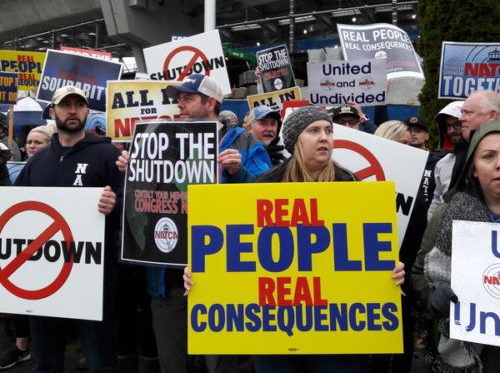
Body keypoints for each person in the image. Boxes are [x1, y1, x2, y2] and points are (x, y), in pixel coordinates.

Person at [184, 105, 405, 373]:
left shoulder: (352, 186)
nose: (324, 137)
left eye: (328, 131)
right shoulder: (264, 187)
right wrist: (204, 273)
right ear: (294, 140)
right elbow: (234, 248)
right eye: (313, 131)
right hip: (275, 335)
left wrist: (389, 271)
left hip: (338, 335)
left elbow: (370, 249)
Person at [117, 74, 271, 373]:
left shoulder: (243, 142)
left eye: (187, 98)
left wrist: (239, 173)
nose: (180, 105)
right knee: (172, 362)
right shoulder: (161, 140)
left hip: (222, 274)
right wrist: (130, 172)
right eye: (178, 99)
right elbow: (142, 205)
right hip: (167, 275)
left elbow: (267, 201)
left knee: (221, 364)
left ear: (210, 102)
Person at [15, 85, 124, 373]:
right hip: (43, 277)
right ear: (53, 112)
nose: (72, 110)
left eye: (79, 105)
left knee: (100, 359)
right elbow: (16, 213)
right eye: (66, 105)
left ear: (88, 111)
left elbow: (131, 208)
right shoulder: (36, 161)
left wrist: (115, 205)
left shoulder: (107, 155)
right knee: (47, 360)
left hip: (93, 279)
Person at [411, 121, 500, 372]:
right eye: (488, 156)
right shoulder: (447, 214)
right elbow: (418, 273)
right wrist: (433, 296)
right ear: (473, 169)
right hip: (465, 353)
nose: (498, 164)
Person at [0, 125, 55, 370]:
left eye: (38, 142)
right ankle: (22, 347)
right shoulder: (23, 171)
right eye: (29, 142)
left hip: (50, 247)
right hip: (22, 244)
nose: (31, 146)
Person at [427, 90, 500, 221]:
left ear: (492, 115)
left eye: (468, 113)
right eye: (488, 156)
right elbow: (438, 203)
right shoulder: (447, 162)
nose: (461, 119)